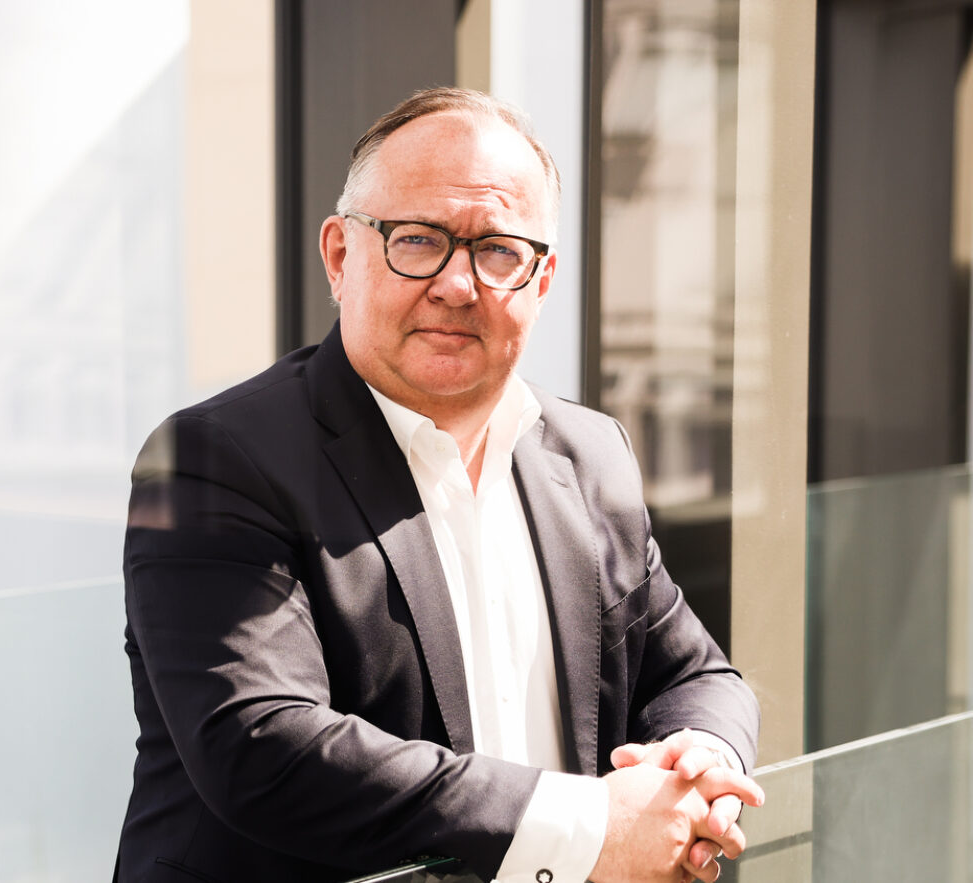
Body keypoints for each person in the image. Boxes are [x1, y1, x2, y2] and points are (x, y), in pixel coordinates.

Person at [115, 87, 763, 883]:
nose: (458, 284)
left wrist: (698, 768)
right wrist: (592, 825)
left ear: (542, 280)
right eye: (418, 240)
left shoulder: (591, 454)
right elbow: (263, 745)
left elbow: (694, 674)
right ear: (340, 256)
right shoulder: (213, 461)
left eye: (498, 249)